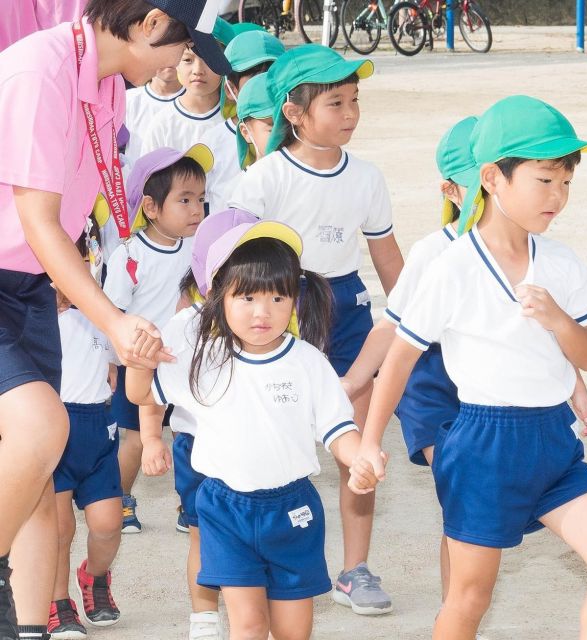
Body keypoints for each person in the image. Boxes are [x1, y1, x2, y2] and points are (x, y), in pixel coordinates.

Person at [351, 95, 587, 639]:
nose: (558, 195)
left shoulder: (563, 263)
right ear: (492, 178)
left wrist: (559, 322)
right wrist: (369, 442)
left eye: (566, 183)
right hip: (484, 444)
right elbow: (400, 358)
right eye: (545, 180)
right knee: (468, 598)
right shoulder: (451, 266)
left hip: (555, 442)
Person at [0, 1, 228, 637]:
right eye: (177, 52)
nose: (177, 69)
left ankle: (27, 627)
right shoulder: (39, 73)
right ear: (151, 22)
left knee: (37, 482)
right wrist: (114, 320)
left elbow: (76, 221)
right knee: (43, 431)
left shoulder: (107, 87)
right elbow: (37, 220)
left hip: (31, 285)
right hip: (15, 276)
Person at [127, 214, 367, 640]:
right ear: (219, 298)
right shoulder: (204, 357)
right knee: (249, 624)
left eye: (278, 298)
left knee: (294, 631)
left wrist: (359, 457)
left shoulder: (307, 361)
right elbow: (142, 396)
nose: (263, 312)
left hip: (293, 507)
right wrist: (138, 362)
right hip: (225, 508)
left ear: (295, 299)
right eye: (248, 297)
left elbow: (338, 428)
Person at [229, 43, 403, 616]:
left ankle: (354, 569)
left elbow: (387, 261)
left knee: (358, 444)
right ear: (295, 114)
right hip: (281, 308)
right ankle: (263, 558)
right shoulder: (263, 179)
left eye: (355, 101)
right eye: (335, 102)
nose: (350, 113)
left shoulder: (368, 177)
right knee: (275, 440)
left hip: (348, 307)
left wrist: (416, 323)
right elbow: (229, 268)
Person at [138, 210, 261, 640]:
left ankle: (252, 616)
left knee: (252, 536)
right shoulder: (186, 326)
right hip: (198, 445)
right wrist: (152, 438)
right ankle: (204, 617)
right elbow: (154, 391)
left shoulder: (277, 322)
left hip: (255, 449)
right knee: (201, 535)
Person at [103, 144, 212, 535]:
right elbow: (111, 312)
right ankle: (121, 498)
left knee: (187, 434)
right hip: (141, 365)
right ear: (150, 207)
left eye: (201, 199)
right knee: (136, 440)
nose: (197, 209)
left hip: (188, 363)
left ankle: (191, 502)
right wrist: (113, 360)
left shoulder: (201, 250)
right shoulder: (130, 256)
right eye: (184, 200)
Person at [48, 224, 122, 639]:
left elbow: (117, 355)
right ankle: (58, 603)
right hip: (54, 433)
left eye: (82, 263)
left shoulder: (99, 315)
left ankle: (94, 577)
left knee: (108, 524)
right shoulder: (32, 321)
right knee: (59, 530)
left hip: (97, 432)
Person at [205, 30, 284, 212]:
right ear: (230, 88)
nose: (264, 84)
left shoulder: (299, 132)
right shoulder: (212, 143)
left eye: (273, 75)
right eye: (254, 77)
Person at [142, 44, 224, 211]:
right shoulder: (163, 123)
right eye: (187, 60)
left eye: (209, 59)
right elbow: (148, 181)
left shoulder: (235, 122)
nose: (198, 70)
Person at [124, 67, 185, 172]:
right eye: (161, 51)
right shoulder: (128, 99)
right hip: (135, 182)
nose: (168, 60)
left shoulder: (194, 102)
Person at [235, 73, 274, 170]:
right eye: (273, 130)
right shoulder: (240, 185)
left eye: (291, 127)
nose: (284, 136)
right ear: (246, 132)